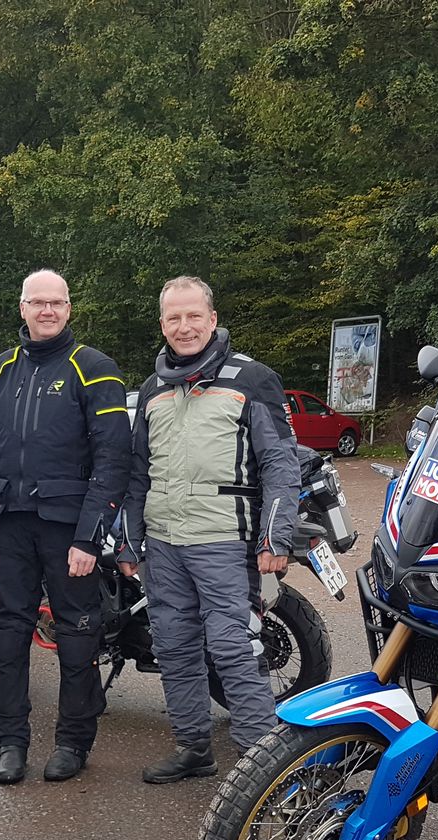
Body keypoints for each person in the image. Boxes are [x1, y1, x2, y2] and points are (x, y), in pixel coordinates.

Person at [118, 275, 301, 783]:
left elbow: (280, 464)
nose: (185, 326)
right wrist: (130, 542)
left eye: (194, 315)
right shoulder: (153, 389)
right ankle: (194, 748)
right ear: (162, 325)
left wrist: (275, 537)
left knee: (232, 648)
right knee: (173, 648)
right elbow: (138, 474)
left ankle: (263, 768)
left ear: (213, 319)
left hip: (224, 541)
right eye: (174, 318)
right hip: (162, 544)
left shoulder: (253, 379)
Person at [0, 270, 131, 785]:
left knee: (77, 633)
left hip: (68, 527)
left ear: (69, 308)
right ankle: (10, 741)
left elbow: (113, 458)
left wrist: (89, 536)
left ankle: (73, 742)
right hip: (8, 522)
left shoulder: (93, 368)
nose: (47, 310)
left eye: (56, 302)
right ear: (23, 308)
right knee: (9, 632)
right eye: (38, 302)